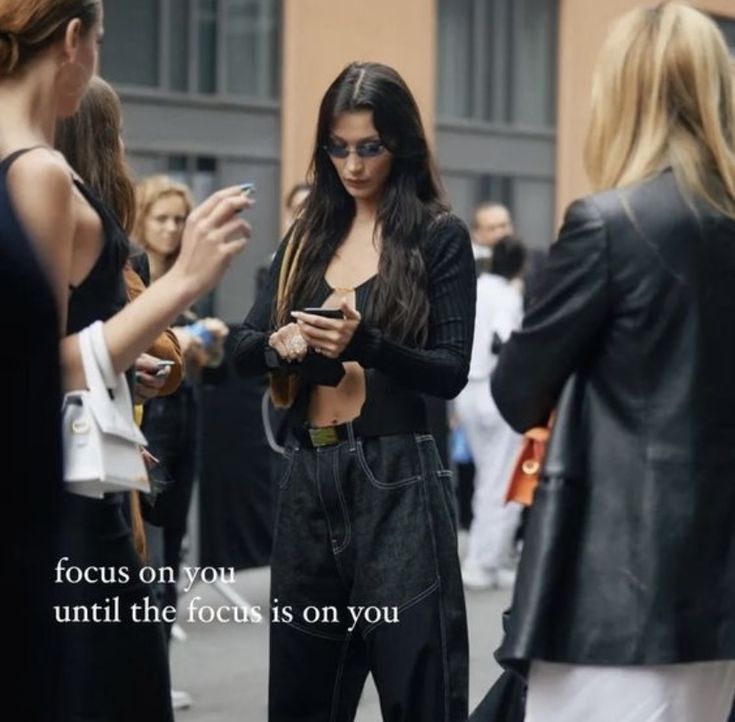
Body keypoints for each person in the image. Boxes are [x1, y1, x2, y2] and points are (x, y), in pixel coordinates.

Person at [0, 2, 251, 719]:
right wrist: (183, 282)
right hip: (65, 508)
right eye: (102, 40)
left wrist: (124, 347)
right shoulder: (37, 172)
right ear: (74, 40)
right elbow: (32, 365)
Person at [490, 4, 735, 721]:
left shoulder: (608, 224)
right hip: (715, 583)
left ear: (621, 92)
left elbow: (516, 393)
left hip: (614, 579)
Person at [233, 61, 475, 721]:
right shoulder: (306, 236)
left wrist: (364, 344)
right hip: (308, 476)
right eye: (338, 147)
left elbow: (450, 367)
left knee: (417, 687)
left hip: (397, 474)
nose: (353, 164)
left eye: (369, 146)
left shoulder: (436, 235)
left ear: (399, 144)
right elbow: (240, 349)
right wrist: (284, 345)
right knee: (301, 692)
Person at [455, 236, 526, 590]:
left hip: (466, 389)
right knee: (502, 478)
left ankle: (484, 561)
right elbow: (504, 339)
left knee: (485, 476)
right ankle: (485, 563)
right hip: (496, 390)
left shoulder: (476, 287)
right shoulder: (510, 295)